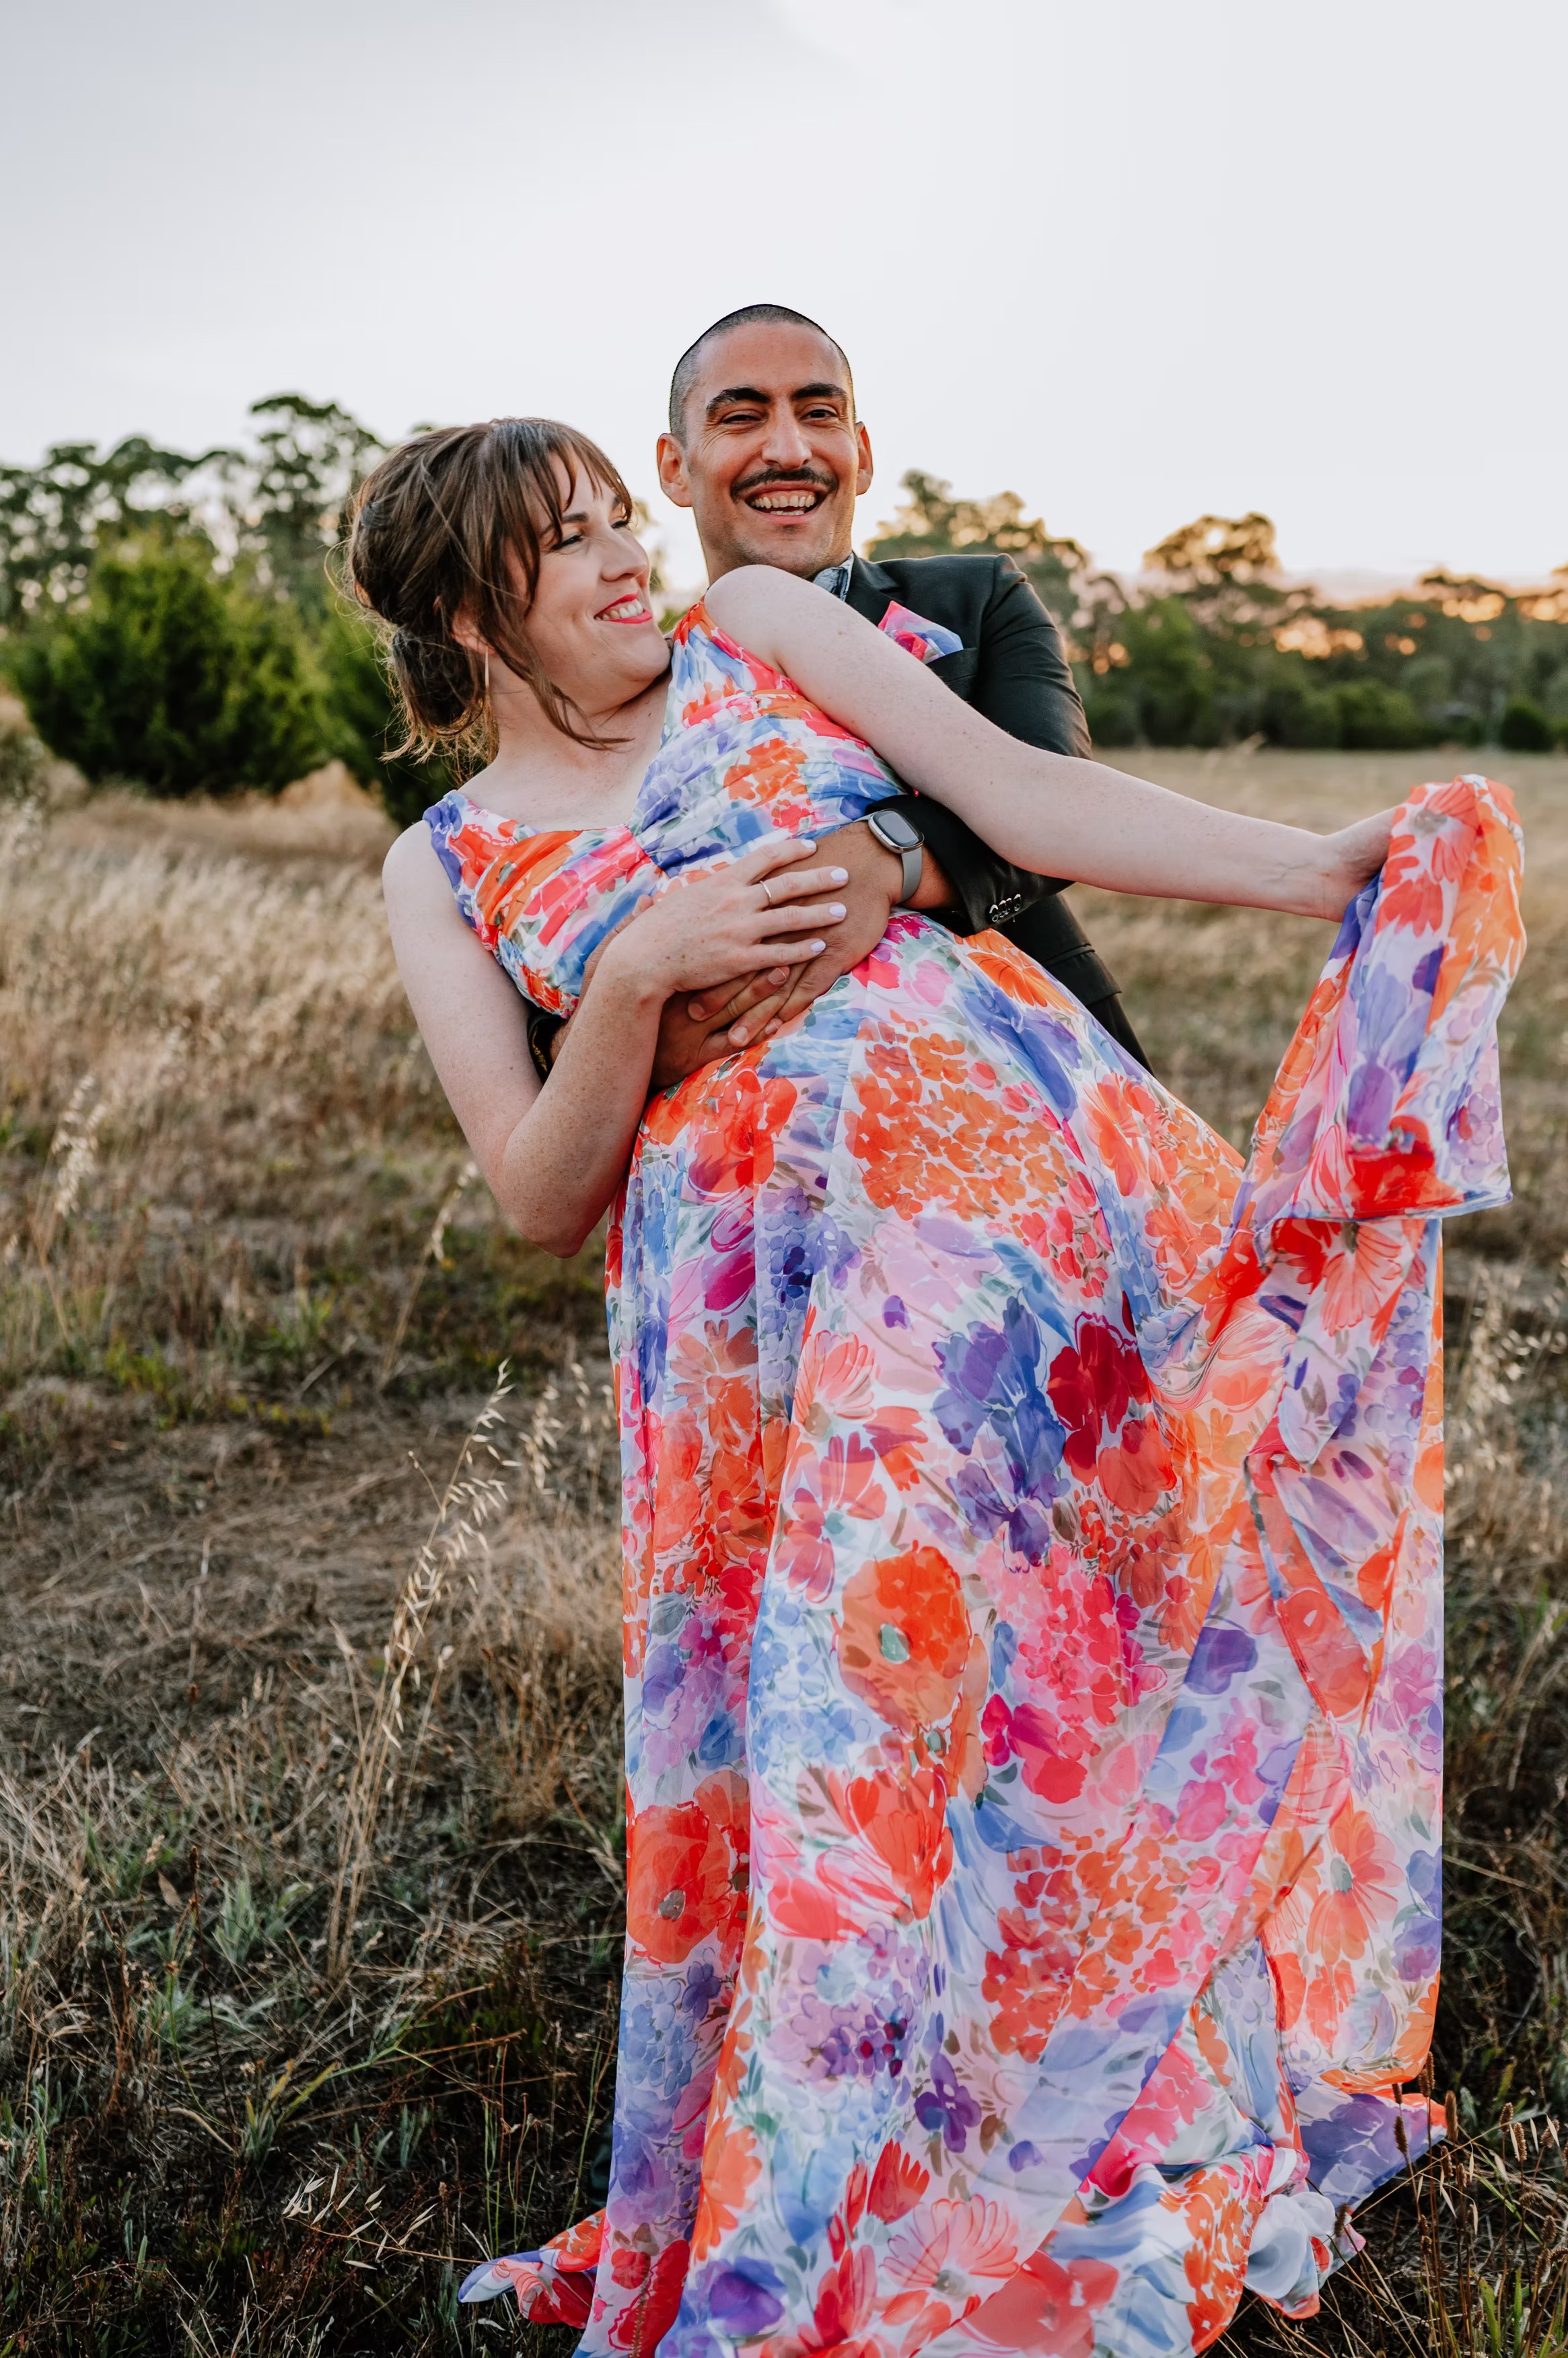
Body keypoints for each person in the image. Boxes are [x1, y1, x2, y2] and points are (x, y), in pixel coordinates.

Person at [358, 415, 1521, 2358]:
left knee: (1040, 1679)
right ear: (474, 615)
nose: (628, 558)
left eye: (615, 518)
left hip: (998, 1242)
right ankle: (841, 2180)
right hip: (753, 1340)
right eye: (566, 546)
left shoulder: (755, 627)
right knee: (850, 1731)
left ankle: (1085, 2114)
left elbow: (1022, 798)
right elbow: (536, 1192)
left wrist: (1315, 868)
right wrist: (633, 975)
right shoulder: (441, 862)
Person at [525, 303, 1147, 1099]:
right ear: (674, 469)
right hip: (761, 1133)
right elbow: (568, 910)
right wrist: (586, 1040)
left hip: (1054, 1077)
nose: (788, 451)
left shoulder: (977, 600)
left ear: (861, 452)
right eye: (741, 417)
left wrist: (886, 856)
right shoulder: (634, 685)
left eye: (818, 413)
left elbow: (1053, 794)